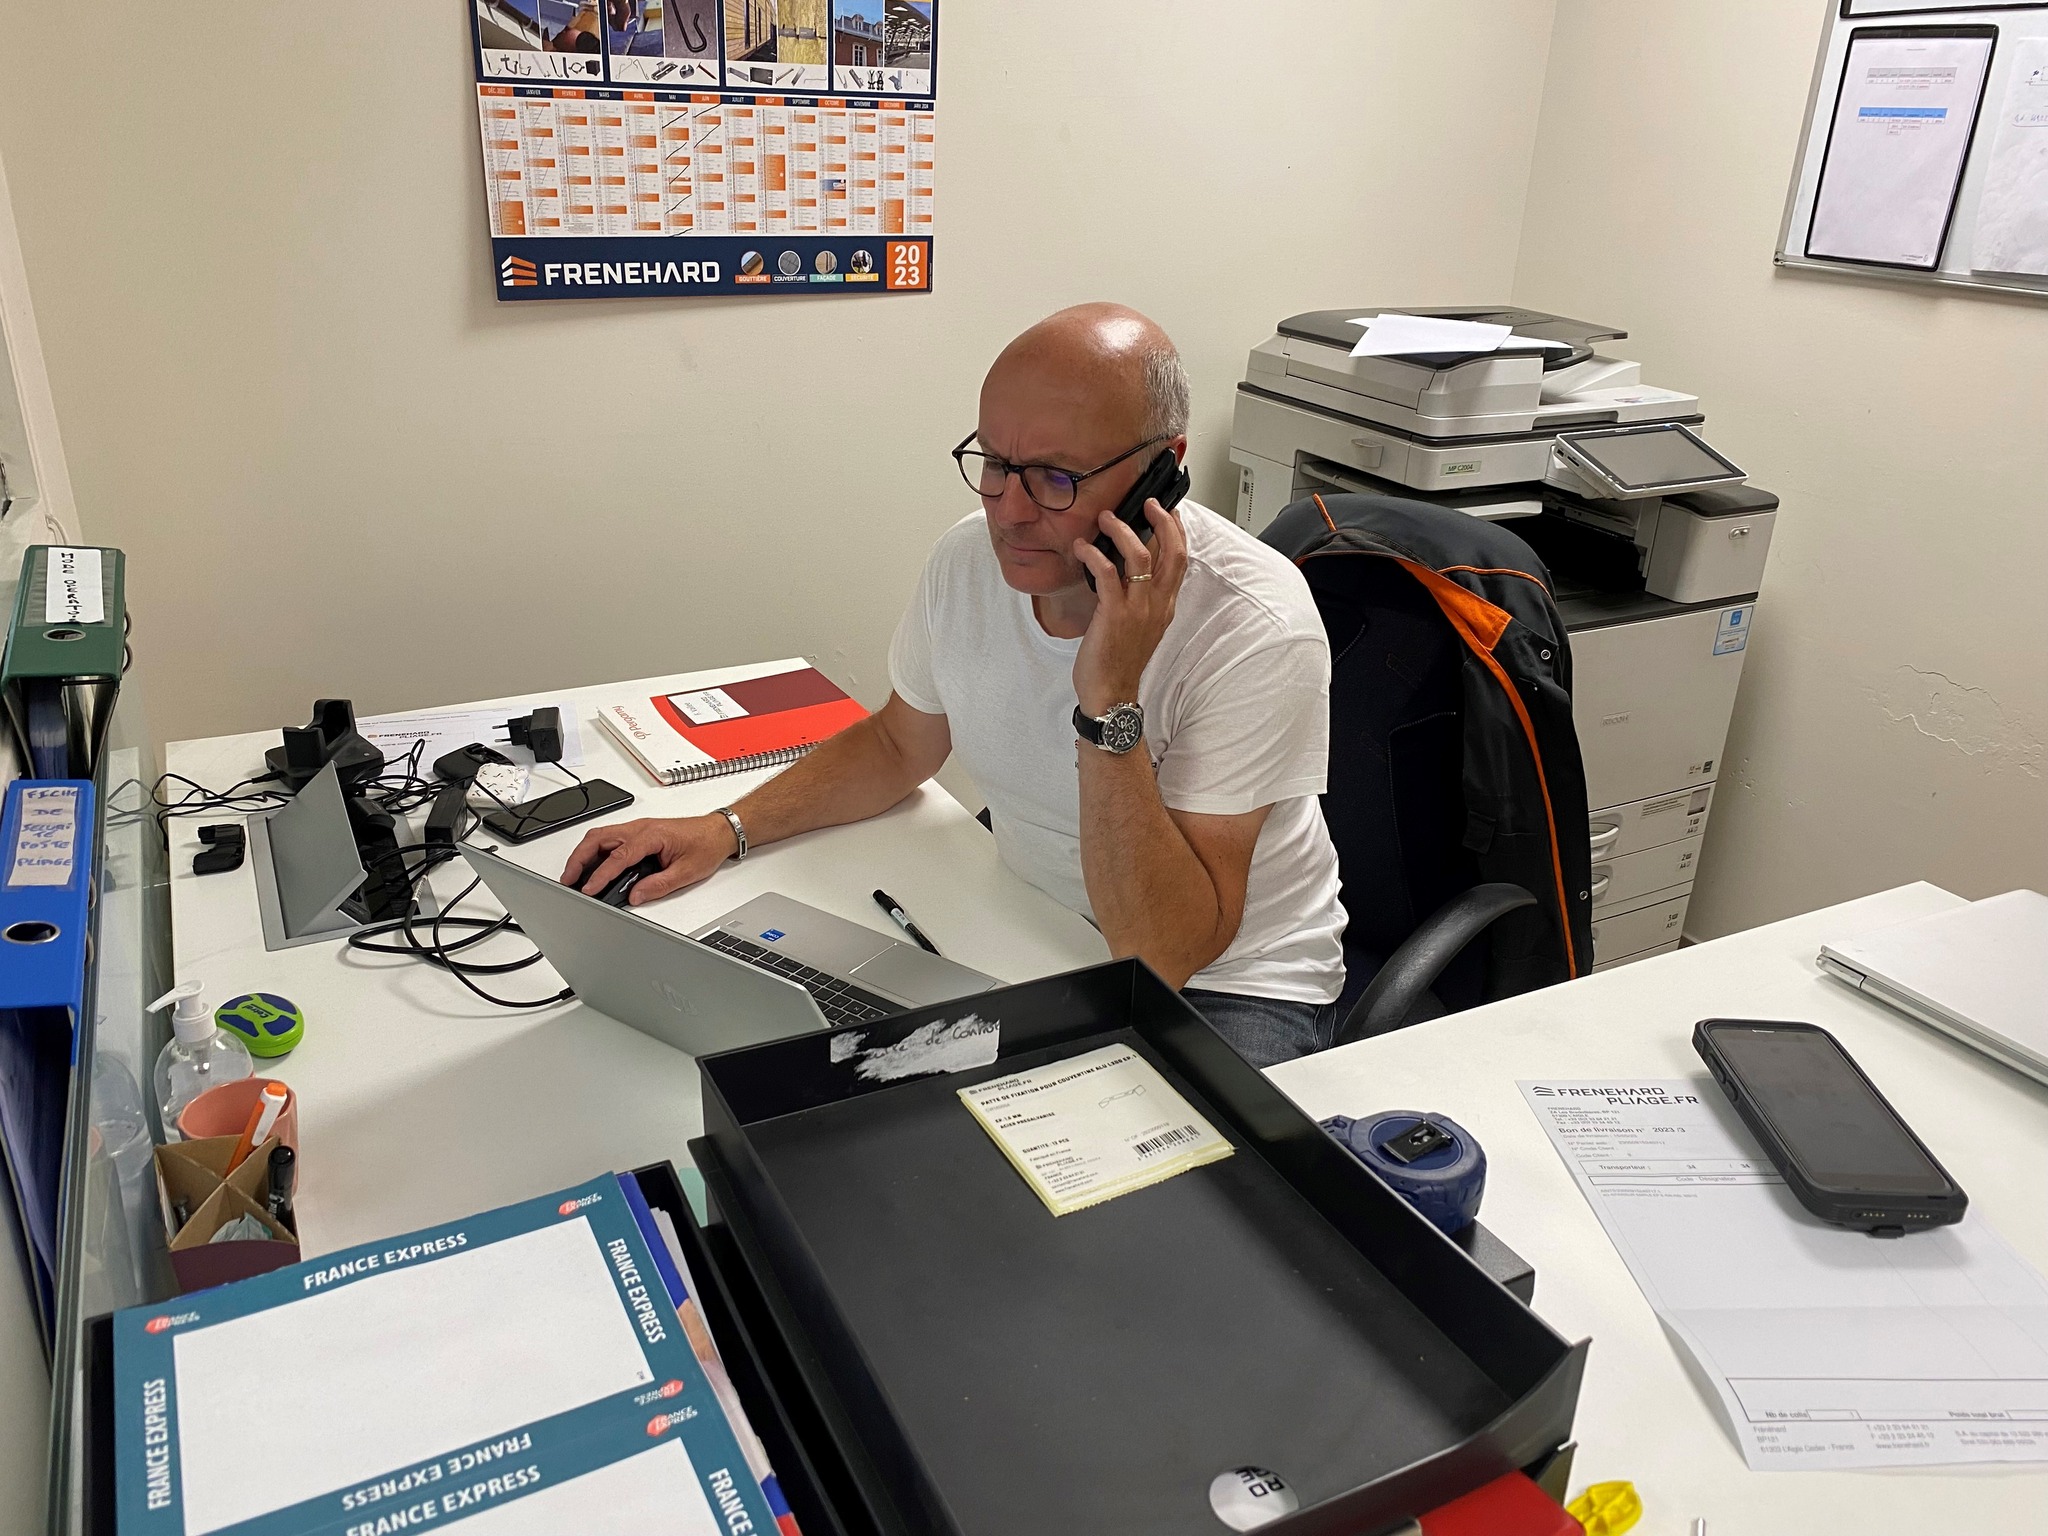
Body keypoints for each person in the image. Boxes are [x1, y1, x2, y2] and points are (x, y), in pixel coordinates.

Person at [562, 304, 1346, 1066]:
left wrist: (1110, 695)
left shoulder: (1254, 625)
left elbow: (1163, 951)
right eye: (996, 465)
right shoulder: (968, 560)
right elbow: (898, 744)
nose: (1009, 512)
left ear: (1163, 470)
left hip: (1226, 985)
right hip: (1036, 922)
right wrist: (723, 828)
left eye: (1055, 477)